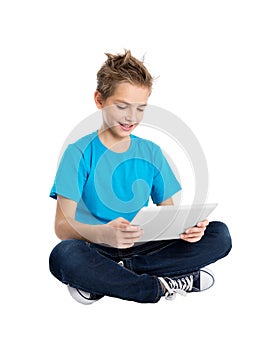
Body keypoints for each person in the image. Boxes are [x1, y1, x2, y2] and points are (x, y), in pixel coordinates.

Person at [49, 50, 232, 304]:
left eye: (140, 109)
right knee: (64, 255)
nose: (131, 117)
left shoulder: (151, 152)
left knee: (219, 235)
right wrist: (104, 234)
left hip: (142, 245)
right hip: (94, 246)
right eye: (122, 106)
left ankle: (114, 277)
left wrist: (188, 229)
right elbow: (61, 226)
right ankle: (158, 286)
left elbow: (169, 218)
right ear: (99, 100)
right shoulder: (78, 152)